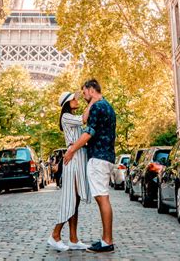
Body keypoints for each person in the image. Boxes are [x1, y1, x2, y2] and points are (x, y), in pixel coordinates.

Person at [64, 79, 116, 254]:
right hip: (107, 156)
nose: (84, 95)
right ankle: (106, 239)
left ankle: (107, 241)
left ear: (92, 89)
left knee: (102, 198)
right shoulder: (107, 106)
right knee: (103, 197)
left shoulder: (96, 107)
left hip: (98, 158)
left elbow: (89, 132)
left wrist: (71, 150)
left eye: (84, 92)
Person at [47, 91, 91, 252]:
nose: (77, 100)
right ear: (68, 102)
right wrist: (93, 101)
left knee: (76, 199)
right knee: (70, 199)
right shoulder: (66, 116)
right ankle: (55, 235)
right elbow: (84, 119)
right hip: (72, 158)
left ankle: (73, 239)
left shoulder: (70, 116)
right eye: (74, 99)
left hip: (78, 157)